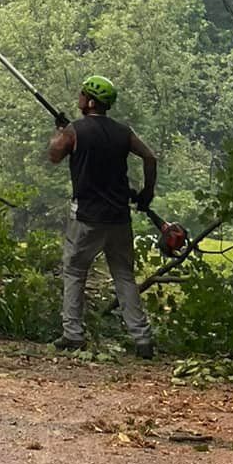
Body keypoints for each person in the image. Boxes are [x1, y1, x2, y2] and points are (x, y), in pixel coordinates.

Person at [46, 73, 157, 356]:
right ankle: (142, 339)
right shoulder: (123, 132)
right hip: (119, 217)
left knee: (74, 271)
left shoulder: (75, 131)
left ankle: (73, 334)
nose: (79, 98)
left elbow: (54, 155)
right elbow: (150, 157)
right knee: (124, 276)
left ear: (91, 101)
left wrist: (61, 131)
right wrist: (147, 194)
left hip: (87, 218)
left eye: (83, 94)